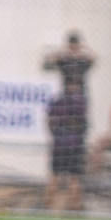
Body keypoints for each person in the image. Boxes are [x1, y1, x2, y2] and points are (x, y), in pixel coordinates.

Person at [44, 76, 88, 211]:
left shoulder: (57, 101)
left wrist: (55, 133)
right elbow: (83, 124)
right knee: (72, 177)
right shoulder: (79, 102)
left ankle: (49, 207)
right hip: (73, 145)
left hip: (60, 145)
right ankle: (72, 208)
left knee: (59, 176)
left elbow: (49, 121)